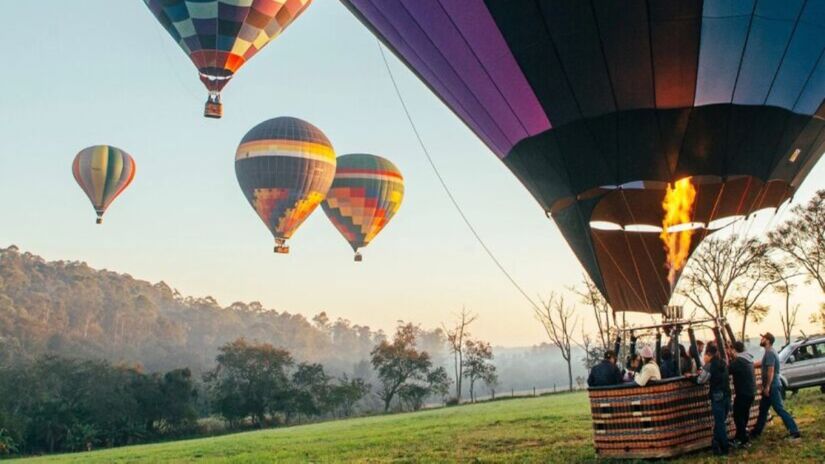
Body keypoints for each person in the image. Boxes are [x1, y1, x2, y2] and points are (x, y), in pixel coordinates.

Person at [751, 332, 801, 440]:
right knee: (763, 409)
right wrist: (751, 364)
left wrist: (767, 386)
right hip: (770, 386)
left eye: (763, 338)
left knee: (779, 409)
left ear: (767, 341)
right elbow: (763, 363)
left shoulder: (769, 353)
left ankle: (794, 431)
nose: (761, 340)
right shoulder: (769, 352)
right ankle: (756, 433)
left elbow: (771, 370)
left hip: (772, 386)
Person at [696, 343, 731, 455]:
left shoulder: (709, 365)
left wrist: (692, 377)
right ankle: (715, 443)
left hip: (717, 396)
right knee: (721, 421)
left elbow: (701, 380)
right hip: (727, 395)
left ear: (709, 354)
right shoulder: (723, 362)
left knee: (720, 423)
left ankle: (725, 448)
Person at [728, 341, 756, 447]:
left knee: (738, 416)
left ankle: (743, 440)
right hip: (751, 392)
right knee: (744, 415)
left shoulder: (739, 361)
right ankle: (739, 437)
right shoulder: (748, 359)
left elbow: (727, 370)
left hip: (743, 393)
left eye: (731, 350)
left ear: (734, 350)